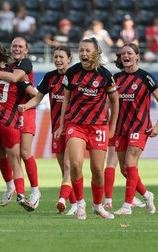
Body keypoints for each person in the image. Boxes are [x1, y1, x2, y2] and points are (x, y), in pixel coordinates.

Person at [54, 37, 119, 220]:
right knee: (75, 164)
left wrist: (111, 127)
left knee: (98, 169)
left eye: (87, 50)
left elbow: (115, 101)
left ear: (96, 52)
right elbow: (65, 99)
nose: (83, 53)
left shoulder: (105, 75)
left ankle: (98, 206)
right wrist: (62, 125)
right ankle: (80, 204)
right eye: (81, 50)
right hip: (76, 125)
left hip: (98, 126)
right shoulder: (72, 73)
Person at [0, 37, 40, 210]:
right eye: (14, 46)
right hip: (10, 112)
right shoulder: (9, 67)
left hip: (24, 110)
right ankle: (11, 187)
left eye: (21, 46)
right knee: (1, 153)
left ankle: (35, 190)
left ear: (26, 50)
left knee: (25, 151)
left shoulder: (25, 64)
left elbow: (15, 80)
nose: (17, 49)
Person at [18, 45, 78, 215]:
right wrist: (24, 106)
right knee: (64, 168)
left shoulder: (76, 76)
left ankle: (62, 199)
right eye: (56, 57)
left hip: (74, 127)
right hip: (56, 128)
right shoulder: (50, 77)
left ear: (69, 59)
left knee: (68, 166)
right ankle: (74, 204)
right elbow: (37, 98)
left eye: (61, 57)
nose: (58, 60)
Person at [113, 43, 158, 215]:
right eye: (123, 54)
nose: (126, 56)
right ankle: (146, 194)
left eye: (129, 53)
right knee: (123, 169)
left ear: (137, 56)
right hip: (121, 128)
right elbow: (110, 103)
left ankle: (127, 206)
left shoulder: (145, 77)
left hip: (140, 126)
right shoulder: (116, 78)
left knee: (130, 164)